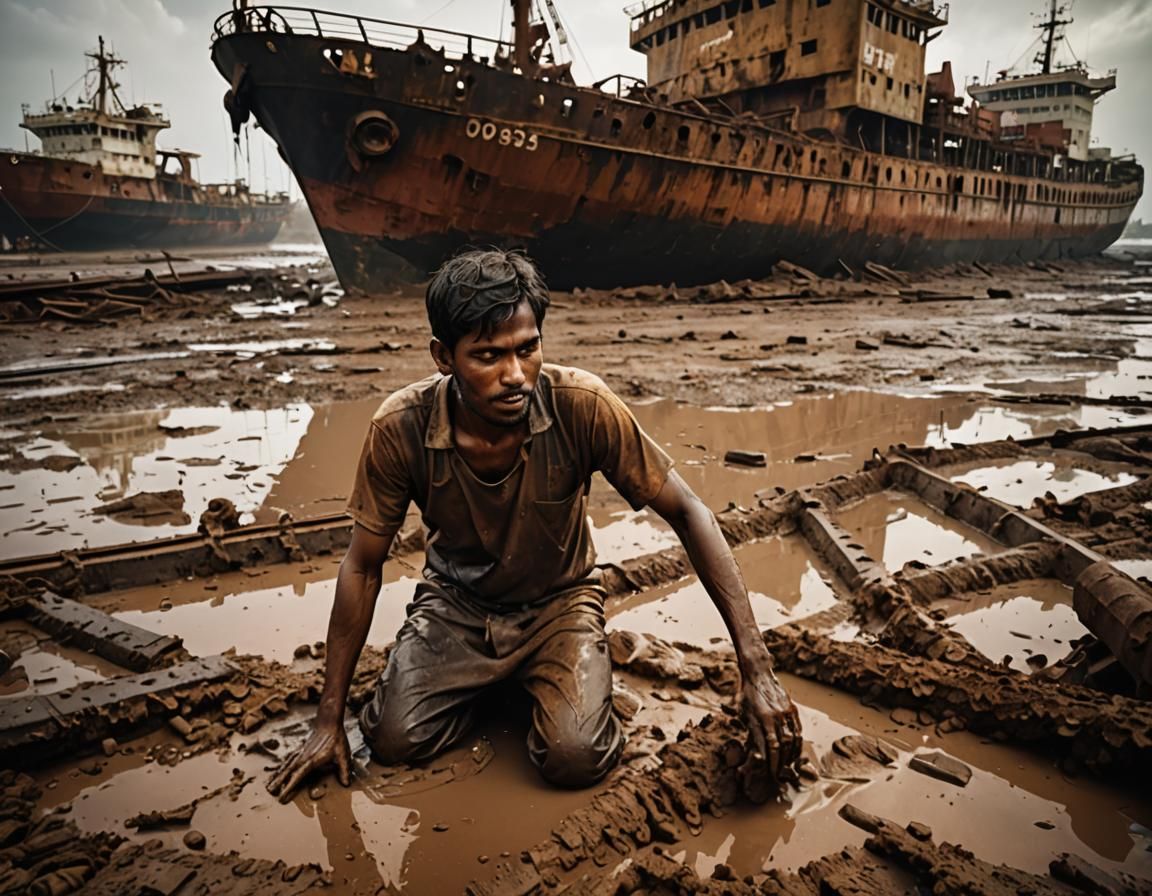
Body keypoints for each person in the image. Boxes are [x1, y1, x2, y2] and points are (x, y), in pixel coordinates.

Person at [268, 249, 801, 801]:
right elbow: (362, 564)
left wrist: (756, 667)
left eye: (528, 348)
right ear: (443, 357)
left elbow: (690, 512)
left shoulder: (582, 405)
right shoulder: (400, 427)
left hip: (559, 603)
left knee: (574, 759)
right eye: (488, 355)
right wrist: (328, 721)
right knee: (393, 739)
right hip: (458, 604)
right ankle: (511, 684)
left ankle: (558, 678)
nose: (515, 375)